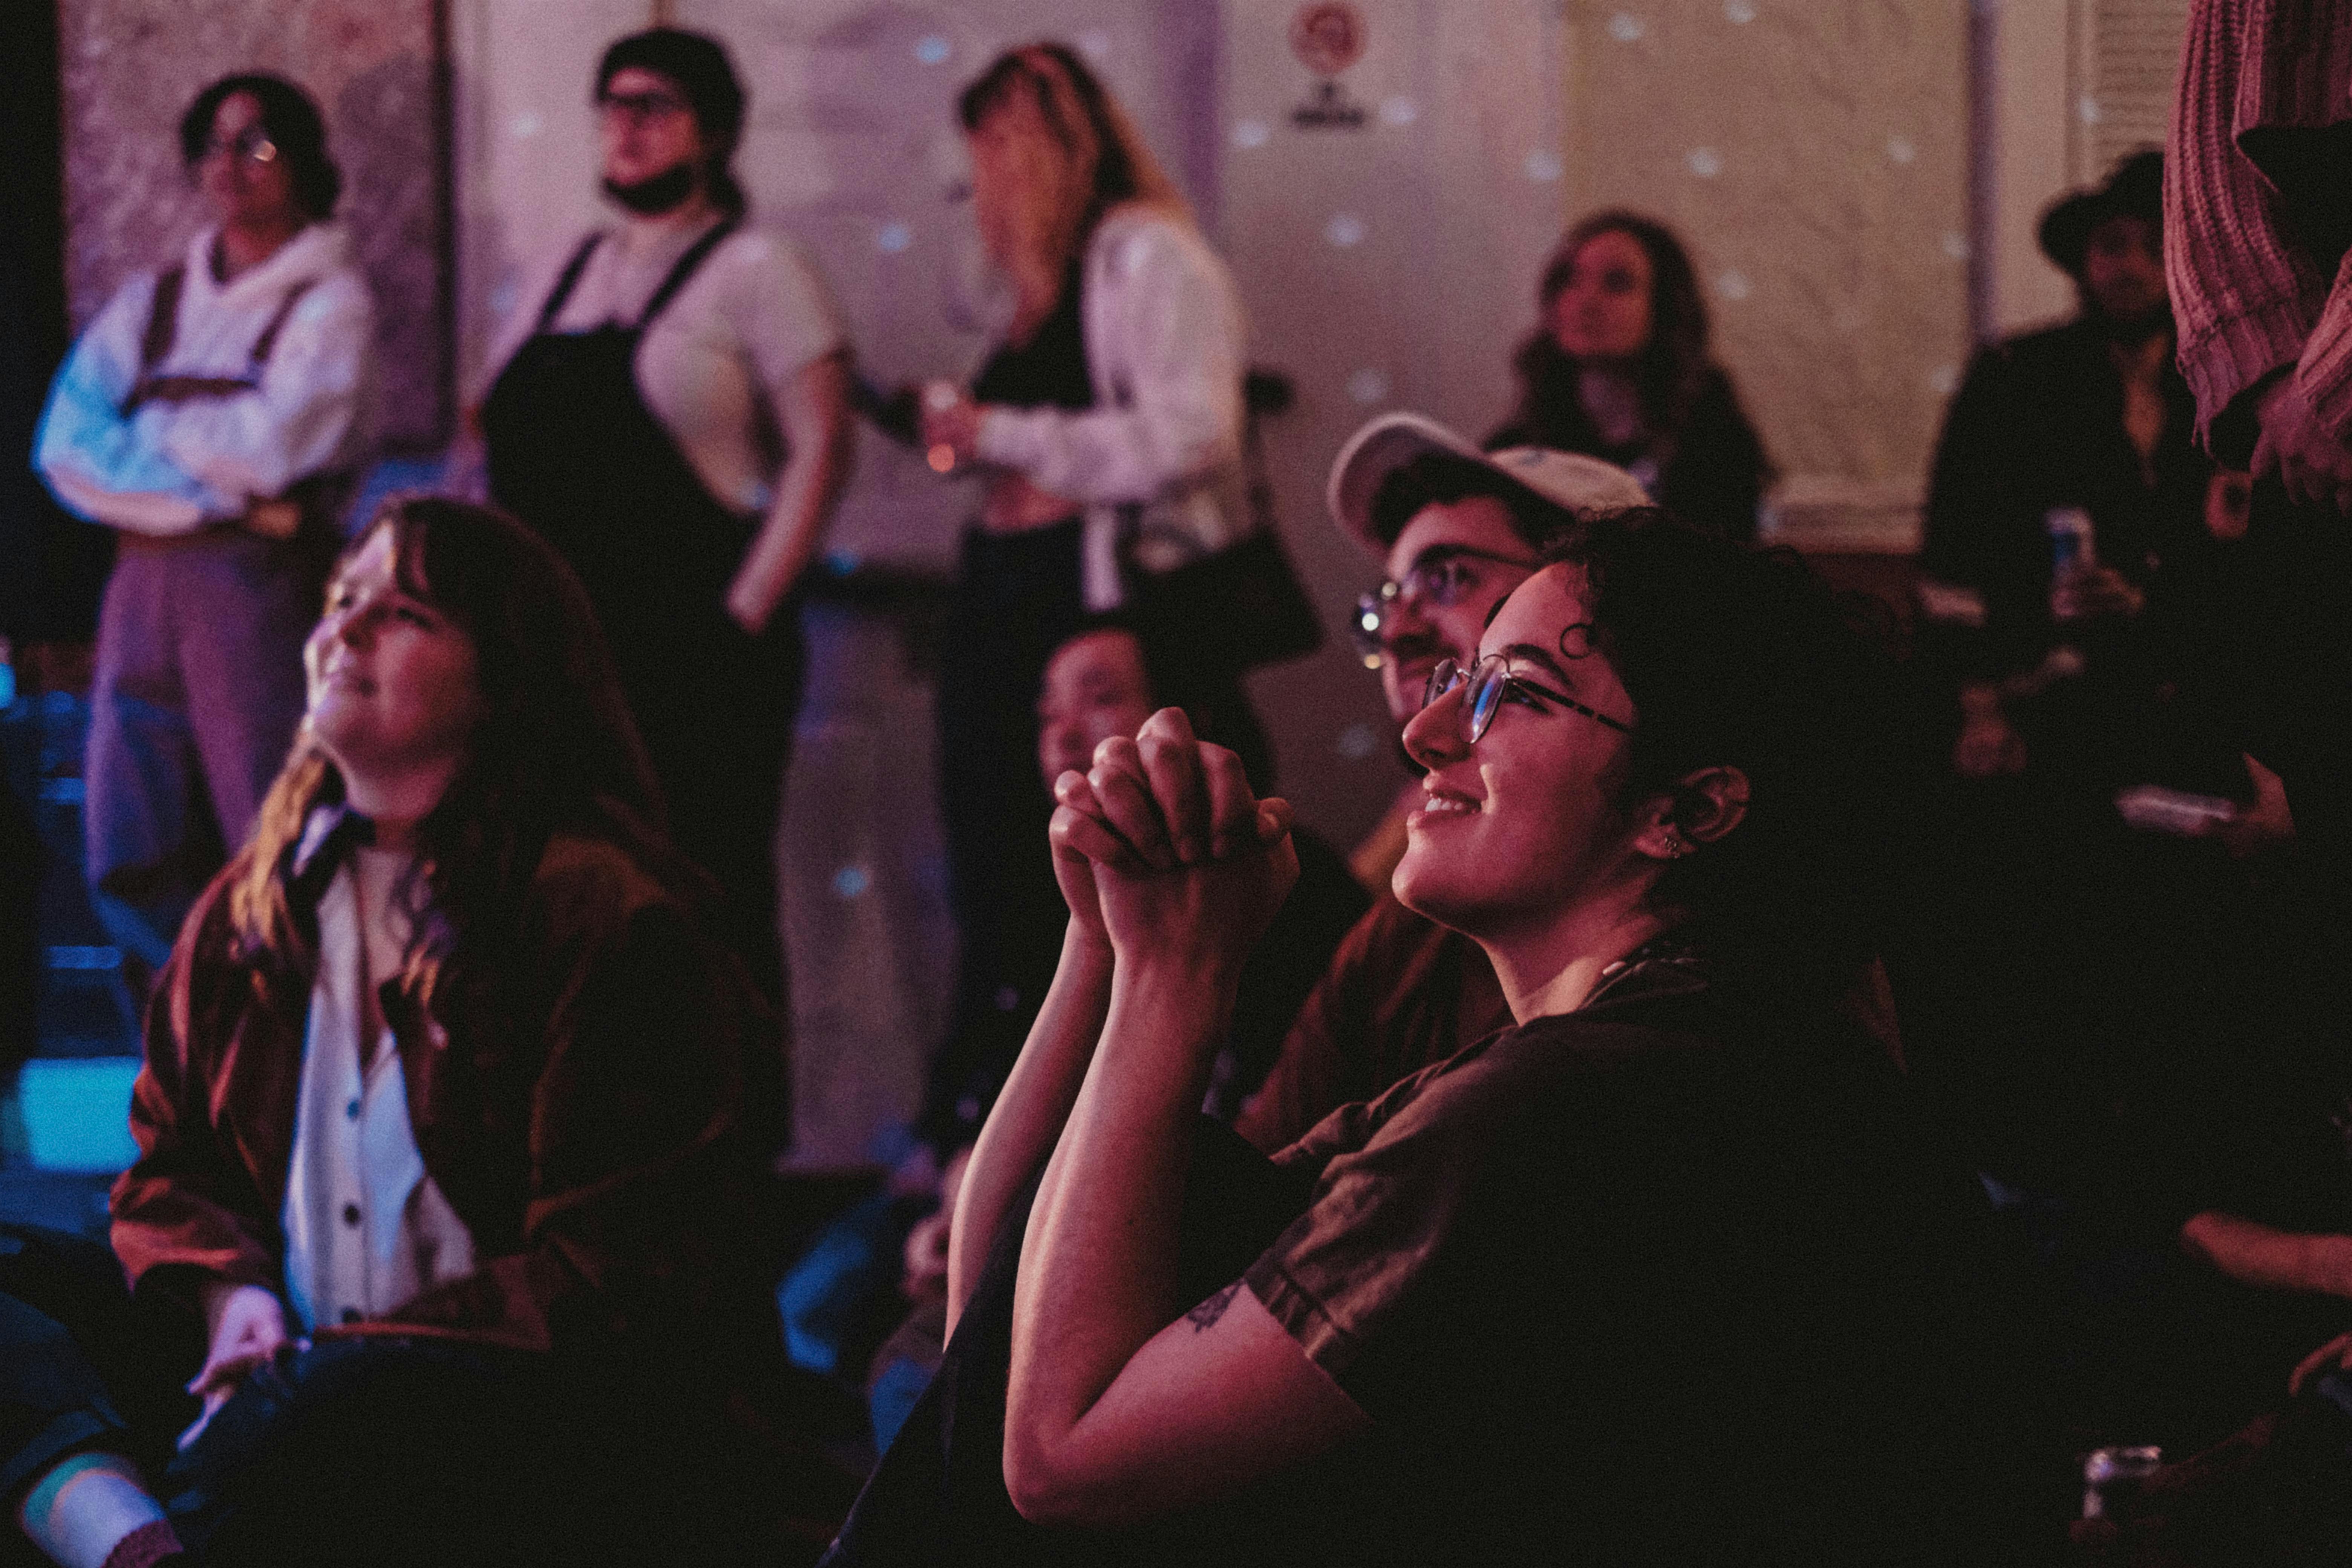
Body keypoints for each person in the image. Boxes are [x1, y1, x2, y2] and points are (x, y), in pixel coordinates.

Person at [828, 507, 2020, 1565]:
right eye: (1463, 681)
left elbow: (1055, 1467)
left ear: (1688, 807)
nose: (1430, 733)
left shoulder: (1566, 1111)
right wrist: (1101, 934)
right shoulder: (1689, 1049)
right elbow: (1003, 1311)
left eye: (1513, 693)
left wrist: (1172, 976)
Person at [1, 497, 786, 1568]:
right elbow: (174, 1165)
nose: (346, 630)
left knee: (334, 1413)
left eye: (405, 611)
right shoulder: (256, 905)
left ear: (505, 679)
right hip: (293, 1370)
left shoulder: (604, 913)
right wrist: (232, 1296)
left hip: (522, 1415)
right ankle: (137, 1546)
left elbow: (612, 1277)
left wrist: (321, 1367)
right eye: (343, 599)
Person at [780, 615, 1364, 1449]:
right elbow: (981, 1057)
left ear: (1186, 715)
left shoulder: (1271, 883)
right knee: (808, 1309)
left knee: (904, 1369)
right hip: (986, 1193)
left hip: (1127, 1232)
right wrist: (947, 1173)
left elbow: (1246, 1134)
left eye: (1100, 697)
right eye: (1048, 710)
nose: (1063, 731)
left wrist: (986, 1210)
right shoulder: (1039, 886)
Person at [478, 26, 854, 1012]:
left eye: (657, 105)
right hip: (553, 656)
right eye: (614, 104)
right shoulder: (567, 269)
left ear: (716, 131)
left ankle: (735, 1109)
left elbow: (823, 445)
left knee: (703, 900)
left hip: (695, 654)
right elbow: (488, 430)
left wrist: (747, 614)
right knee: (558, 904)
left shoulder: (760, 267)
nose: (628, 125)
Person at [913, 43, 1255, 1105]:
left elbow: (1195, 434)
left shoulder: (1147, 257)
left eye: (1006, 146)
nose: (988, 179)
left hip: (1088, 599)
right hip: (1007, 591)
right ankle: (998, 1110)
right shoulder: (1032, 289)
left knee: (1080, 854)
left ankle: (1107, 1110)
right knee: (997, 859)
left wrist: (1002, 433)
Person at [34, 73, 375, 983]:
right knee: (129, 826)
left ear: (302, 163)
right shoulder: (154, 302)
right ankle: (172, 1038)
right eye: (215, 147)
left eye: (257, 145)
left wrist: (146, 438)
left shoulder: (330, 303)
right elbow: (65, 441)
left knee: (269, 816)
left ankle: (282, 1035)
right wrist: (202, 488)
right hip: (138, 588)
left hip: (253, 589)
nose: (232, 167)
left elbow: (275, 447)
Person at [1235, 414, 1645, 1152]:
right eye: (1389, 599)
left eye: (1448, 577)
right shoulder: (1399, 940)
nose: (1397, 631)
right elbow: (1246, 1181)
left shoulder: (1684, 1011)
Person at [1487, 210, 1771, 542]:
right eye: (1571, 280)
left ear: (1664, 307)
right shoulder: (1518, 451)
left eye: (1616, 283)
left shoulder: (1717, 444)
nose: (1585, 301)